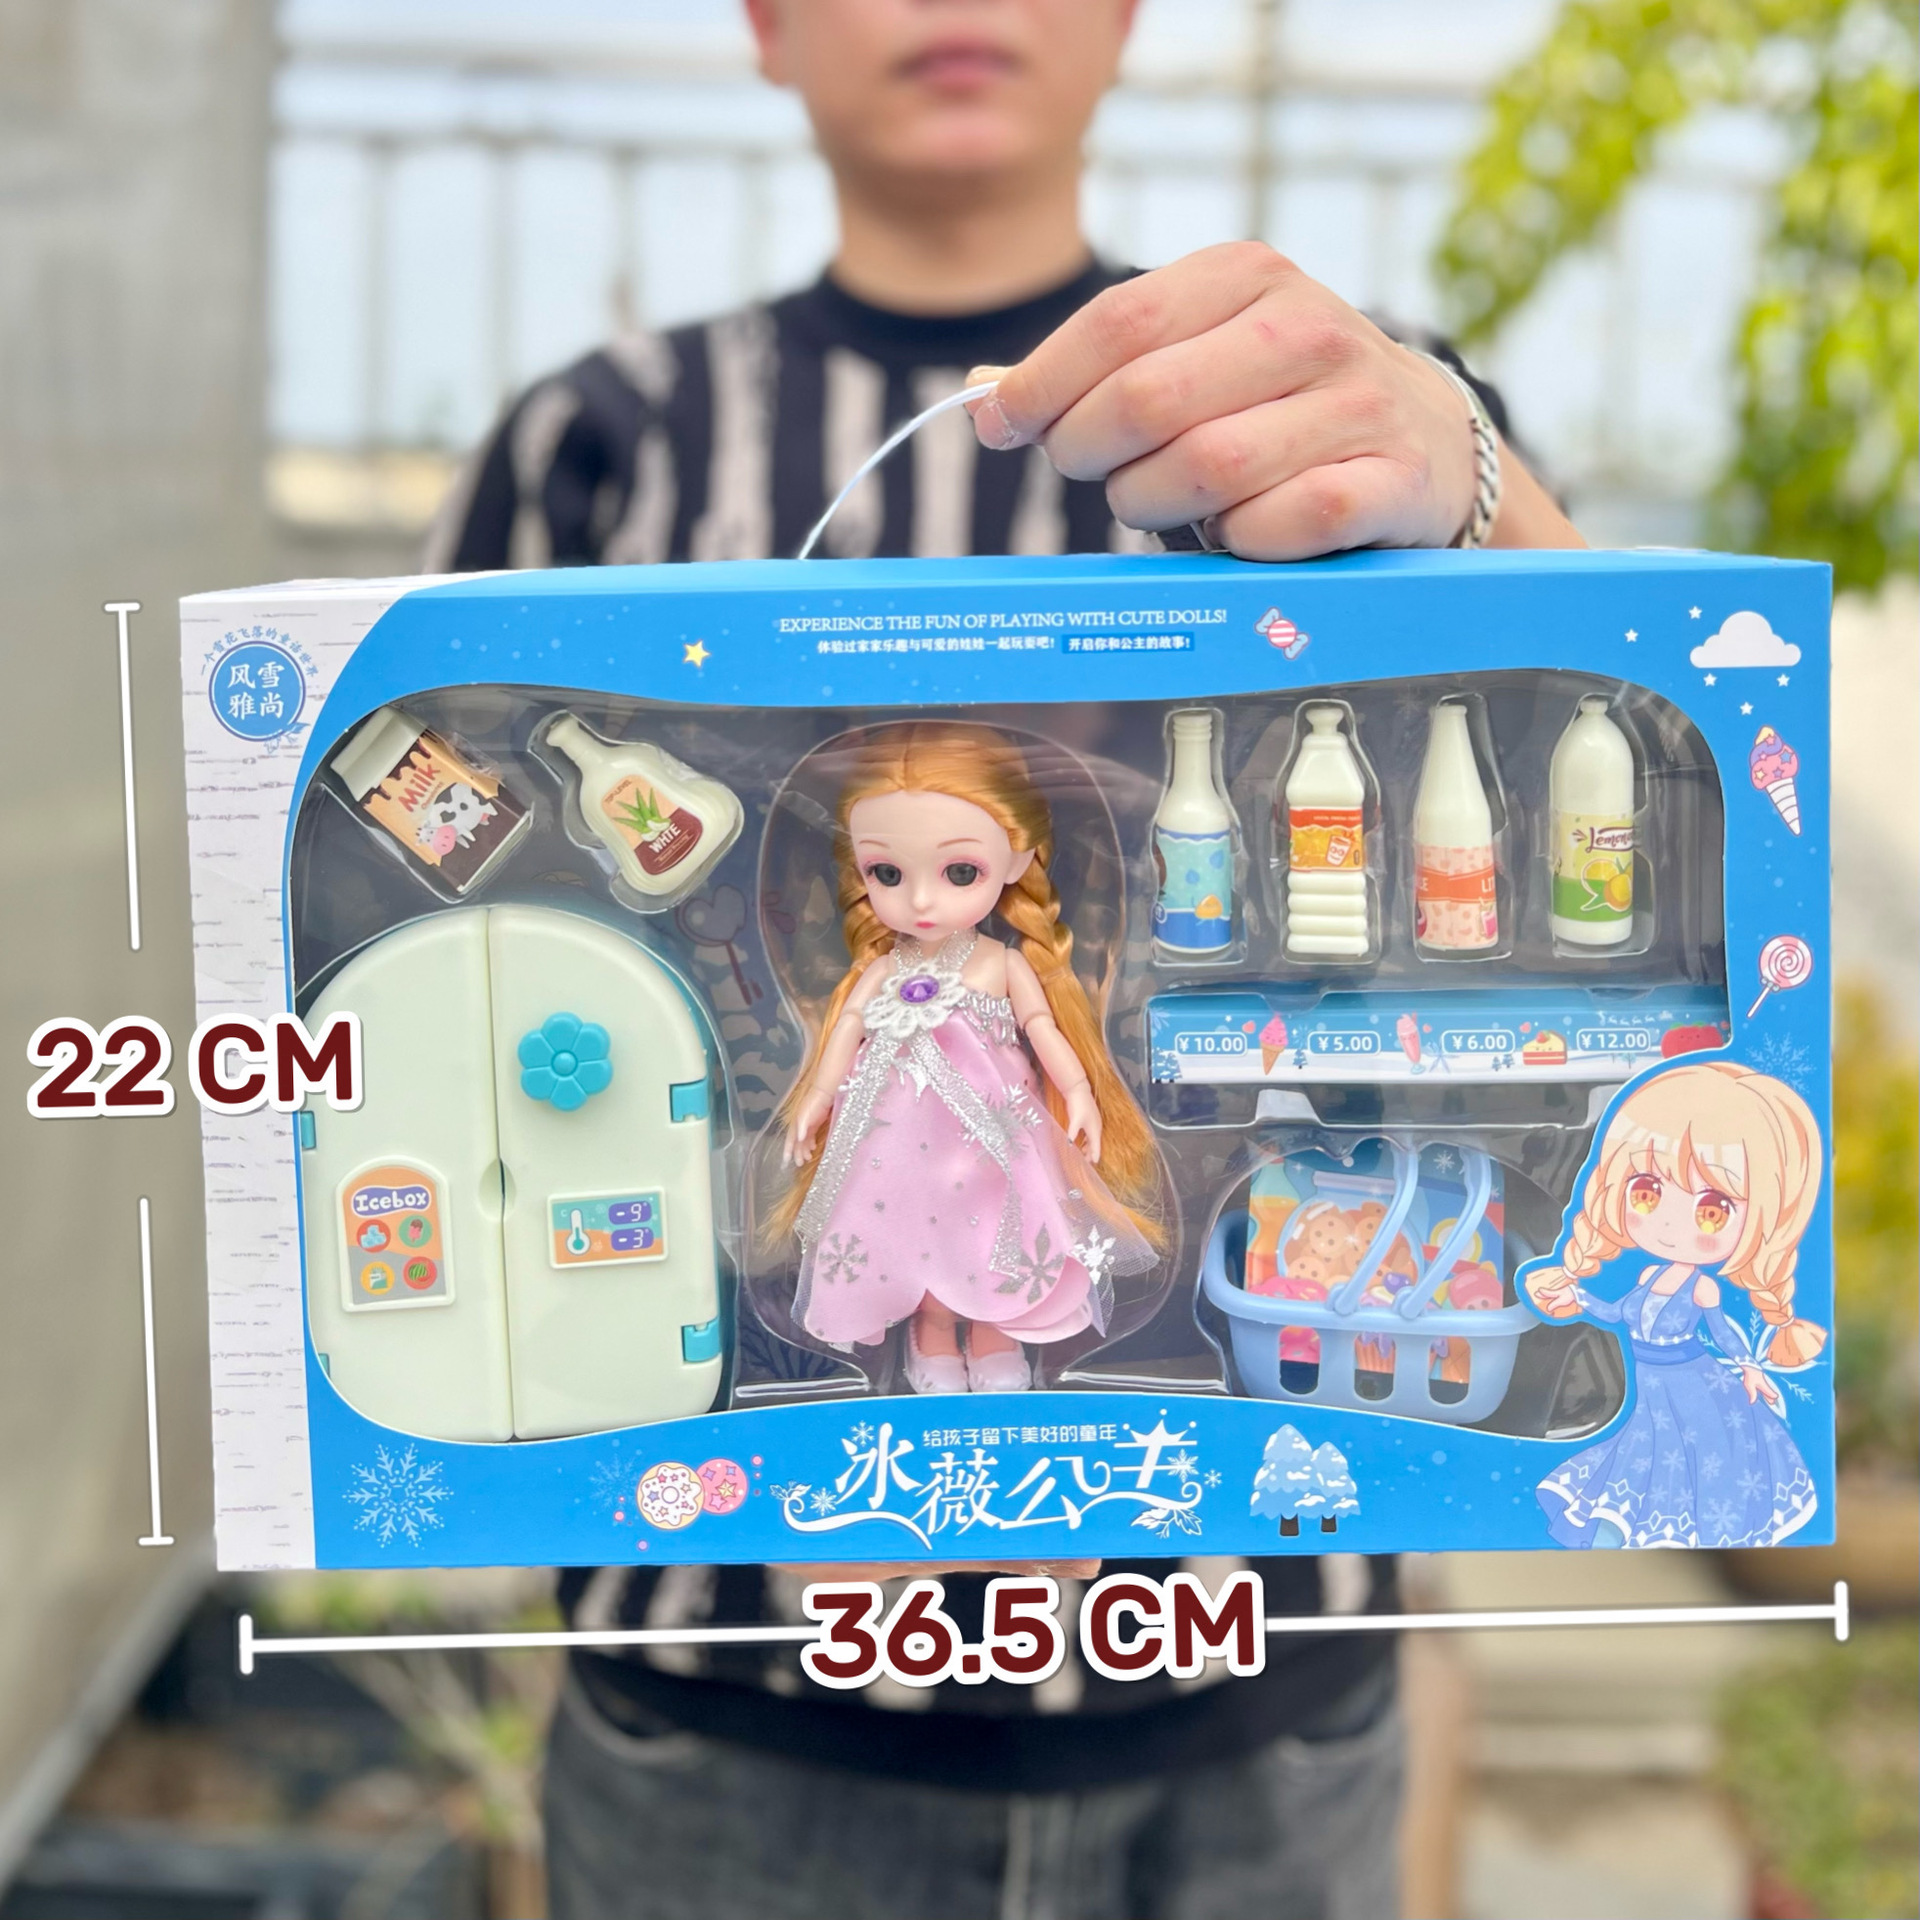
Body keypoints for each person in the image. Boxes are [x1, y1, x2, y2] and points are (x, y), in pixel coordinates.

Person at [427, 4, 1585, 1914]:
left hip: (1262, 1677)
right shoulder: (604, 444)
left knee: (993, 1292)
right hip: (727, 1697)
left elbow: (1598, 818)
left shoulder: (1331, 404)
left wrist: (1475, 480)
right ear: (768, 24)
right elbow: (430, 899)